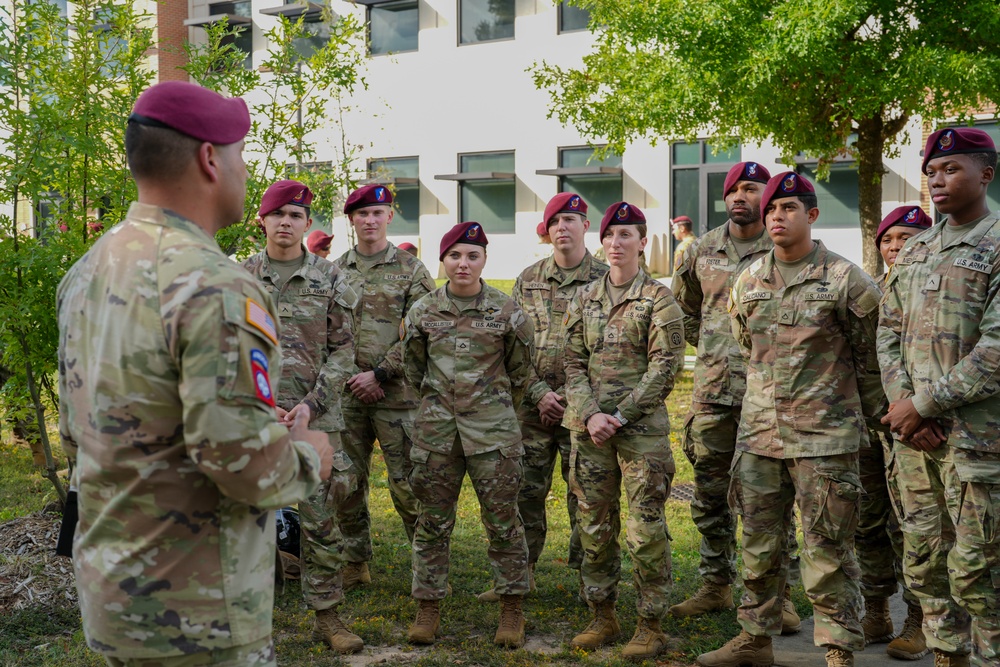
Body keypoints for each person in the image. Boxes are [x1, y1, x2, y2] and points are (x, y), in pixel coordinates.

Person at [56, 81, 332, 667]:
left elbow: (77, 429)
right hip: (197, 611)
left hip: (114, 594)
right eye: (239, 151)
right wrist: (311, 453)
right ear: (211, 159)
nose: (244, 166)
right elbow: (243, 465)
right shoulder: (215, 283)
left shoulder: (90, 267)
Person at [699, 172, 884, 667]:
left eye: (789, 208)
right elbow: (747, 348)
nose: (777, 216)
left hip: (825, 438)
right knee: (759, 545)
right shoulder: (750, 279)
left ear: (812, 216)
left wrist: (875, 427)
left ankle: (837, 649)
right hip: (759, 435)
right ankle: (754, 641)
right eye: (773, 209)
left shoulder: (846, 279)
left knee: (827, 550)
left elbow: (872, 358)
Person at [878, 127, 1000, 667]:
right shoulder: (918, 247)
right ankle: (947, 657)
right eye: (931, 172)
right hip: (915, 440)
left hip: (977, 442)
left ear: (986, 175)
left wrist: (923, 405)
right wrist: (906, 406)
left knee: (979, 572)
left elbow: (996, 352)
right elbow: (887, 331)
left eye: (951, 169)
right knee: (925, 563)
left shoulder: (997, 244)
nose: (938, 181)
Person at [671, 161, 805, 629]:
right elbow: (684, 309)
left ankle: (777, 593)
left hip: (768, 392)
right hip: (711, 391)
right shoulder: (700, 249)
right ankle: (715, 584)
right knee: (708, 492)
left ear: (766, 196)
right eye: (734, 190)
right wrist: (713, 346)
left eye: (751, 188)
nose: (740, 197)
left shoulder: (783, 244)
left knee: (768, 499)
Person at [242, 180, 363, 654]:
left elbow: (344, 351)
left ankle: (328, 616)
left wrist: (312, 404)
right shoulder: (241, 279)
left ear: (307, 224)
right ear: (263, 221)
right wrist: (258, 401)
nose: (287, 223)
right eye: (279, 215)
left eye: (296, 216)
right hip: (252, 419)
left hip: (314, 420)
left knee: (319, 518)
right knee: (244, 518)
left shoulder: (331, 279)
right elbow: (225, 348)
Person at [564, 202, 686, 661]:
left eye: (627, 235)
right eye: (611, 235)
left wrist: (622, 414)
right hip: (590, 430)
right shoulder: (585, 297)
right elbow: (571, 362)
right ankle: (602, 614)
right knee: (594, 525)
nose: (617, 243)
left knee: (644, 528)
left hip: (640, 433)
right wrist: (593, 414)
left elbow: (666, 365)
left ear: (642, 241)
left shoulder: (658, 298)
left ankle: (650, 623)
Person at [403, 222, 535, 648]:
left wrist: (492, 410)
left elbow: (519, 370)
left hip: (493, 435)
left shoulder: (507, 310)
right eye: (455, 255)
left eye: (472, 255)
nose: (464, 263)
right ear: (443, 260)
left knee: (503, 524)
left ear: (483, 261)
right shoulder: (422, 311)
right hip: (437, 435)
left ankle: (512, 607)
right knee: (432, 523)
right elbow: (412, 367)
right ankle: (428, 606)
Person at [477, 193, 608, 603]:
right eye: (555, 222)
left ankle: (591, 581)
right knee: (524, 491)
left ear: (586, 225)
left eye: (571, 219)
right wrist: (538, 393)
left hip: (586, 410)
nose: (562, 228)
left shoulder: (606, 278)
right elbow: (511, 346)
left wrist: (572, 398)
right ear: (547, 231)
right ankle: (521, 575)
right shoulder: (527, 278)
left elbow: (610, 352)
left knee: (585, 495)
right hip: (532, 408)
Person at [330, 183, 436, 591]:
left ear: (390, 216)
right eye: (361, 214)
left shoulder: (413, 270)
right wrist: (355, 378)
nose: (369, 221)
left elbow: (421, 330)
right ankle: (355, 561)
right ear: (352, 220)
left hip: (398, 397)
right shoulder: (335, 271)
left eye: (377, 213)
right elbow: (329, 332)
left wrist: (380, 374)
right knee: (347, 482)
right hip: (348, 396)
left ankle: (425, 563)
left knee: (409, 483)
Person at [856, 205, 931, 660]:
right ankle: (876, 611)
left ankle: (919, 621)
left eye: (907, 237)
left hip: (916, 431)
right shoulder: (867, 293)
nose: (896, 246)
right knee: (867, 523)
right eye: (889, 239)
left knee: (917, 529)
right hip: (866, 426)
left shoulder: (935, 289)